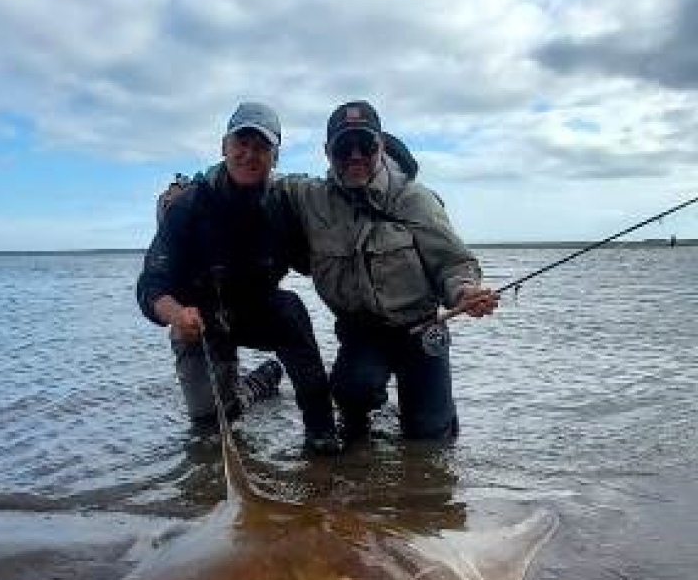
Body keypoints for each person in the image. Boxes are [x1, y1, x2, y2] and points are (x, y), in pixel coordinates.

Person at [275, 101, 498, 442]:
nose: (354, 156)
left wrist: (466, 292)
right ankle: (362, 423)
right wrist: (192, 190)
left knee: (430, 440)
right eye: (343, 147)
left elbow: (454, 263)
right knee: (351, 395)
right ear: (326, 152)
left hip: (422, 328)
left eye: (364, 145)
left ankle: (434, 416)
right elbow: (255, 177)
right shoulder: (308, 197)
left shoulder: (416, 199)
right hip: (361, 332)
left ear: (379, 145)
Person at [136, 102, 340, 454]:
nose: (249, 155)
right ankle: (258, 383)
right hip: (199, 321)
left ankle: (321, 432)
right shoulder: (187, 207)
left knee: (291, 308)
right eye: (241, 144)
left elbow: (320, 262)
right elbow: (151, 284)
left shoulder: (283, 207)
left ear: (275, 157)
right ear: (224, 148)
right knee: (211, 427)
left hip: (256, 311)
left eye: (261, 147)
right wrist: (176, 316)